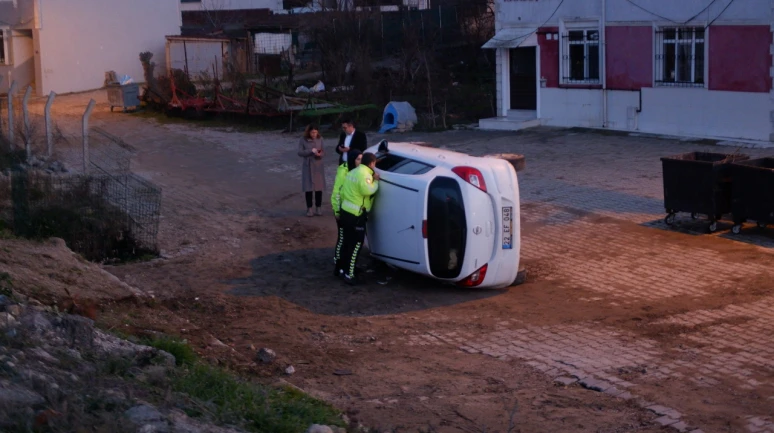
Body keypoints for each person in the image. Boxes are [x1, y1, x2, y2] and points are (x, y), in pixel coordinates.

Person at [336, 152, 380, 284]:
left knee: (347, 243)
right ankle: (350, 275)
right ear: (372, 163)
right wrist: (376, 182)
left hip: (345, 211)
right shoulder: (365, 175)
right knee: (356, 245)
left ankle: (342, 269)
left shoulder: (353, 172)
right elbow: (368, 191)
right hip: (357, 215)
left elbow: (342, 192)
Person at [330, 149, 362, 276]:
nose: (360, 162)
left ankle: (346, 264)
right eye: (358, 159)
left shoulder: (358, 171)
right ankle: (338, 263)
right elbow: (337, 192)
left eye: (362, 159)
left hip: (351, 210)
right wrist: (337, 211)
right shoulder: (344, 171)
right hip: (343, 210)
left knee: (349, 239)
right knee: (342, 238)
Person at [298, 124, 325, 217]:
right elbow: (300, 152)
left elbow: (323, 151)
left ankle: (318, 207)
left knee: (319, 188)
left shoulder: (320, 139)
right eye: (312, 132)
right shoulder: (303, 139)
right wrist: (310, 151)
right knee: (308, 188)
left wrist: (319, 154)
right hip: (308, 166)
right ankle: (309, 208)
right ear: (309, 132)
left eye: (316, 132)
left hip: (318, 166)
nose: (314, 134)